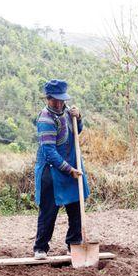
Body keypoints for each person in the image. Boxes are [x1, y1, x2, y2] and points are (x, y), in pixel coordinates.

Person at [33, 79, 90, 259]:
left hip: (72, 164)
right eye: (54, 100)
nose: (58, 103)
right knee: (49, 209)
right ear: (48, 99)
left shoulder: (66, 112)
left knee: (76, 206)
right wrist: (69, 169)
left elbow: (76, 131)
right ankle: (40, 248)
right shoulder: (45, 119)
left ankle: (73, 244)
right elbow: (49, 151)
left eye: (61, 100)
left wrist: (78, 118)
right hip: (52, 169)